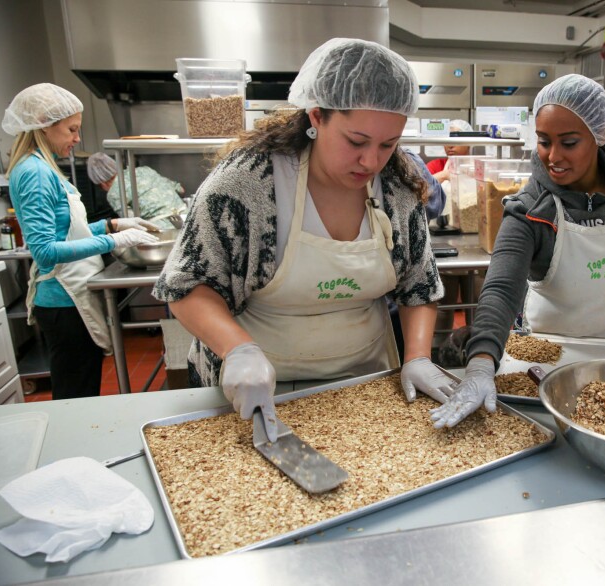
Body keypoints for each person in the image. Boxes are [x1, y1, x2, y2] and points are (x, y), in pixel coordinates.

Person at [153, 38, 455, 441]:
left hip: (365, 387)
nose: (371, 161)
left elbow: (419, 286)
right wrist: (238, 351)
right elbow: (187, 284)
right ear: (317, 115)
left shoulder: (397, 188)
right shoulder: (249, 183)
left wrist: (417, 357)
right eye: (356, 141)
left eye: (388, 144)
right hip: (253, 394)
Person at [429, 74, 605, 428]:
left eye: (569, 143)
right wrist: (480, 364)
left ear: (599, 137)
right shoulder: (530, 208)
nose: (553, 156)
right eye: (543, 141)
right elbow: (502, 290)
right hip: (547, 364)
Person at [2, 83, 158, 399]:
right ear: (45, 125)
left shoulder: (43, 167)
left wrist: (112, 223)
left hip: (70, 297)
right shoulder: (34, 171)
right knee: (76, 394)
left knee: (83, 387)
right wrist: (115, 241)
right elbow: (45, 252)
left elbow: (67, 231)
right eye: (72, 129)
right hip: (62, 300)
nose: (76, 138)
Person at [86, 152, 187, 230]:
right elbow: (180, 189)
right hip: (187, 217)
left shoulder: (113, 193)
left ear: (103, 183)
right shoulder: (144, 170)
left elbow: (133, 223)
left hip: (163, 229)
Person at [425, 119, 474, 183]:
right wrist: (444, 175)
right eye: (447, 140)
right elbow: (420, 189)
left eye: (456, 140)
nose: (450, 145)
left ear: (468, 143)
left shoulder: (478, 167)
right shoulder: (435, 166)